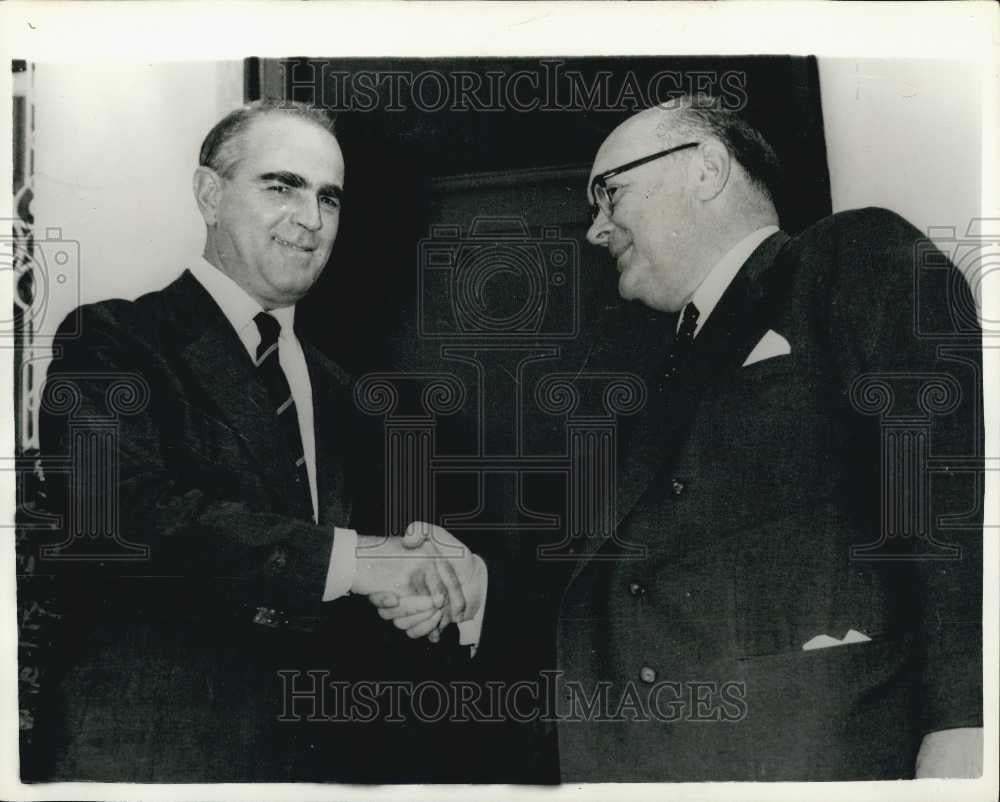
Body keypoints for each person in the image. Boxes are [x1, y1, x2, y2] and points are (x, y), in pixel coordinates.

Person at [377, 96, 984, 781]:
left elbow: (948, 482)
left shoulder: (846, 257)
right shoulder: (649, 370)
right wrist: (474, 587)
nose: (596, 230)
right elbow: (619, 587)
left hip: (815, 754)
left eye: (609, 193)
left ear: (707, 169)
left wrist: (965, 719)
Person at [28, 99, 477, 782]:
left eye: (329, 197)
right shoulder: (113, 342)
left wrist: (428, 592)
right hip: (154, 755)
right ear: (210, 194)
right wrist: (363, 562)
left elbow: (361, 570)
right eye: (281, 185)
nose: (311, 219)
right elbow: (125, 520)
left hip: (316, 759)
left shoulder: (345, 390)